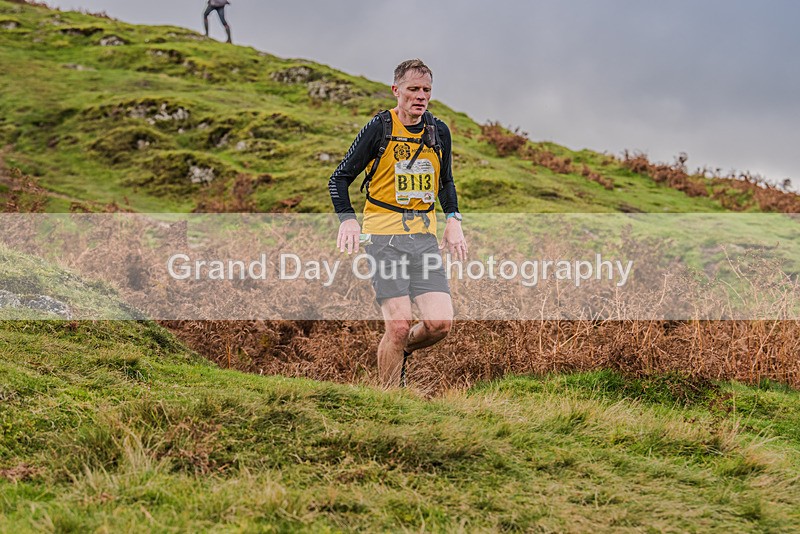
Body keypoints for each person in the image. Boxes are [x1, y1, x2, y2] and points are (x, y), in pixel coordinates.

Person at [328, 59, 467, 388]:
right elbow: (339, 178)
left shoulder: (438, 131)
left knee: (440, 324)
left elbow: (445, 182)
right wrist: (347, 220)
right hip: (383, 240)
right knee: (400, 326)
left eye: (426, 90)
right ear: (396, 91)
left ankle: (397, 351)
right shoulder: (380, 127)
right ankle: (390, 399)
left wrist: (453, 219)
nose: (420, 96)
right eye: (413, 89)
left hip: (423, 240)